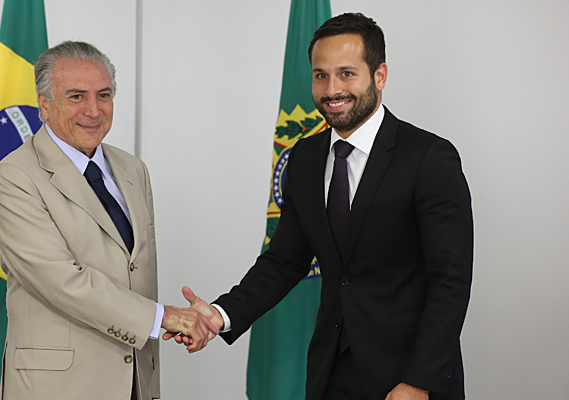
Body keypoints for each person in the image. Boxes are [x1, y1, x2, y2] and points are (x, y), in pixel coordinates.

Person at [165, 13, 473, 400]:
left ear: (379, 76)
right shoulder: (305, 158)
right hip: (331, 374)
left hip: (409, 378)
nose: (332, 89)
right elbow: (285, 261)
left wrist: (419, 381)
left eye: (347, 73)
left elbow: (451, 282)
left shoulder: (429, 157)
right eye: (321, 75)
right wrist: (219, 314)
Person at [0, 41, 216, 400]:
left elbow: (132, 268)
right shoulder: (14, 177)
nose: (93, 110)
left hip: (136, 382)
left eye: (104, 95)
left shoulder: (132, 169)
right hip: (58, 388)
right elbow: (62, 282)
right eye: (76, 96)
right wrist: (164, 318)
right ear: (44, 104)